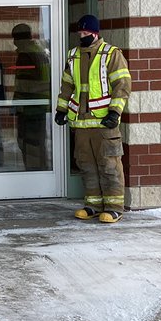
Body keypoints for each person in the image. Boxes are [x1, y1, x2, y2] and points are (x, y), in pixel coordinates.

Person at [55, 14, 131, 223]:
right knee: (86, 165)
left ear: (96, 33)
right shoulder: (73, 56)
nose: (82, 35)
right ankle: (93, 205)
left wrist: (115, 112)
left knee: (109, 165)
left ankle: (115, 206)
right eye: (80, 32)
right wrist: (61, 109)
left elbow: (122, 85)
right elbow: (67, 86)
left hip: (104, 123)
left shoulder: (111, 54)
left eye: (86, 32)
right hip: (81, 123)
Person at [11, 23, 51, 171]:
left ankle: (34, 173)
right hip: (38, 106)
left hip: (30, 109)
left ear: (20, 39)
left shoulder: (26, 55)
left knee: (29, 144)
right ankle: (40, 171)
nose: (14, 43)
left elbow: (25, 85)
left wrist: (17, 104)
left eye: (15, 39)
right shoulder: (39, 50)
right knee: (37, 144)